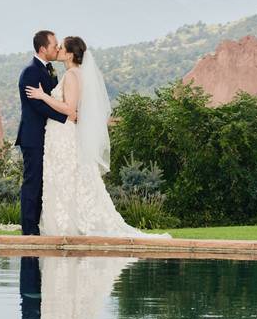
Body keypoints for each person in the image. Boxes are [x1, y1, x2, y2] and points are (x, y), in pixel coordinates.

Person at [24, 36, 171, 237]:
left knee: (65, 179)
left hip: (64, 134)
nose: (57, 49)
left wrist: (43, 96)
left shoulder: (72, 75)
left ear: (69, 54)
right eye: (55, 45)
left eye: (61, 47)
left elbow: (69, 108)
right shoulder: (73, 73)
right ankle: (62, 225)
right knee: (64, 179)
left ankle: (66, 226)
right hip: (60, 134)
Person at [15, 30, 76, 236]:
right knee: (33, 181)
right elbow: (37, 105)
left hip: (49, 136)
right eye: (54, 45)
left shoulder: (50, 70)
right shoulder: (30, 72)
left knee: (44, 181)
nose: (57, 48)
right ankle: (29, 229)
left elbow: (54, 99)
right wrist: (66, 117)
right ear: (43, 49)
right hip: (33, 137)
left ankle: (38, 226)